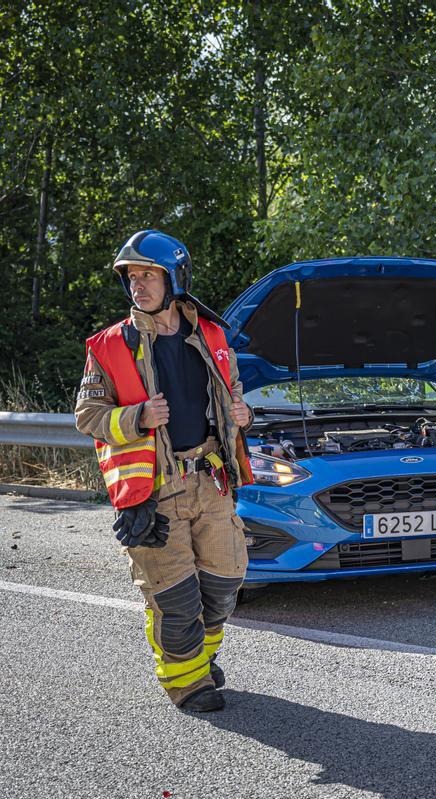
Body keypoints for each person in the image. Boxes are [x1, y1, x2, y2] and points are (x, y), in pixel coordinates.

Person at [75, 230, 254, 713]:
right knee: (174, 599)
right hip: (156, 490)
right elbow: (88, 416)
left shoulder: (211, 336)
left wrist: (244, 415)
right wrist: (137, 418)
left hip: (211, 478)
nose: (138, 286)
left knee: (222, 585)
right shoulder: (110, 347)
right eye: (132, 278)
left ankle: (198, 657)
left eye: (148, 275)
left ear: (175, 277)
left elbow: (234, 394)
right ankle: (187, 684)